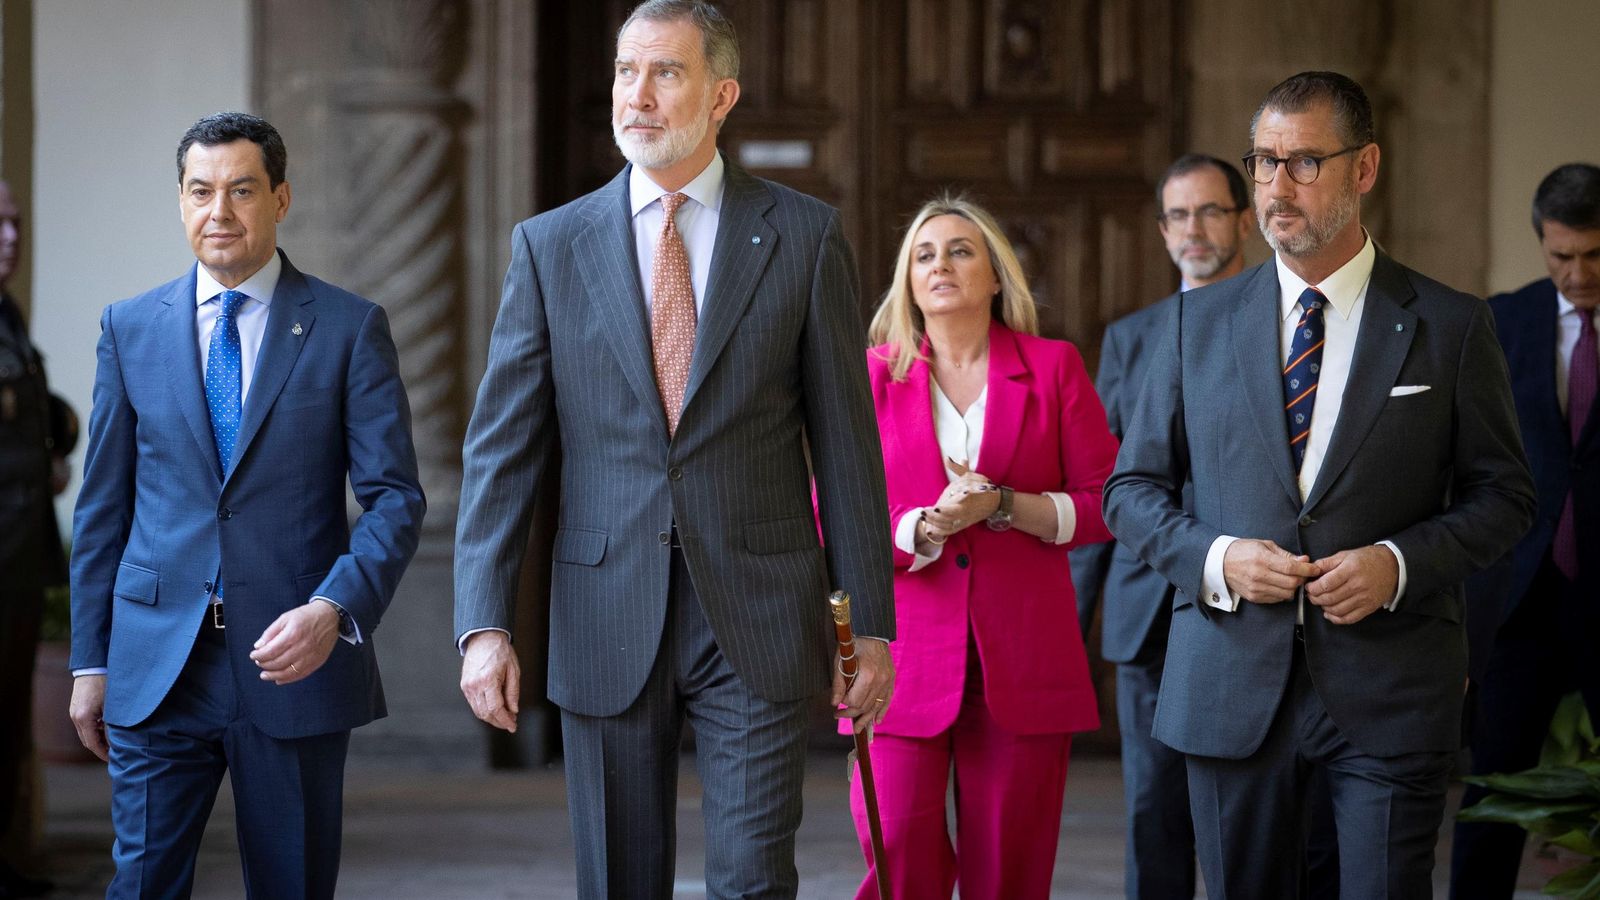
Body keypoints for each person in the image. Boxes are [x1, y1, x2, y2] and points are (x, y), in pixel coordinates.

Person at [452, 2, 895, 897]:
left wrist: (868, 625)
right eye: (626, 72)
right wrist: (484, 624)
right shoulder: (549, 246)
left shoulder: (805, 236)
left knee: (755, 878)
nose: (638, 96)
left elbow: (847, 448)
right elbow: (504, 453)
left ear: (721, 93)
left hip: (761, 612)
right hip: (603, 606)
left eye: (667, 73)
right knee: (619, 880)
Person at [1103, 71, 1536, 899]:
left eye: (1304, 163)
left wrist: (1397, 564)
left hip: (1391, 689)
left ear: (1364, 167)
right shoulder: (1192, 325)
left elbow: (1505, 496)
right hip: (1230, 686)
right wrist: (1219, 557)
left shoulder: (1450, 325)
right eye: (1263, 163)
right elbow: (1131, 491)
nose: (1276, 188)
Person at [68, 112, 425, 898]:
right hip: (158, 665)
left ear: (281, 198)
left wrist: (333, 607)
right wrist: (91, 661)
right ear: (181, 201)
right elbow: (103, 508)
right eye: (200, 192)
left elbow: (396, 499)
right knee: (140, 887)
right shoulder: (129, 329)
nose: (218, 213)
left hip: (292, 662)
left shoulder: (347, 327)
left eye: (240, 191)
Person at [853, 193, 1118, 899]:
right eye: (924, 254)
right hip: (902, 660)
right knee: (898, 845)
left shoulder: (1054, 367)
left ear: (997, 276)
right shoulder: (871, 377)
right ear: (908, 281)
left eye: (961, 250)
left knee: (1011, 870)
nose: (942, 264)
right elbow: (829, 514)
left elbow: (1106, 504)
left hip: (1026, 659)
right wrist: (922, 528)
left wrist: (1004, 506)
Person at [1069, 155, 1249, 900]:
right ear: (1162, 229)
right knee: (1154, 808)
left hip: (1250, 603)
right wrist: (1069, 623)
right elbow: (1107, 486)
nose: (1194, 229)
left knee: (1249, 812)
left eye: (1210, 211)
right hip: (1149, 612)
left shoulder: (1281, 321)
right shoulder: (1131, 338)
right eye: (1178, 215)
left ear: (1243, 219)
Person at [1450, 162, 1600, 900]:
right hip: (1520, 596)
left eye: (1594, 255)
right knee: (1492, 790)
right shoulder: (1501, 319)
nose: (1577, 273)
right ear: (1542, 242)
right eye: (1561, 255)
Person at [0, 180, 66, 900]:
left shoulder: (7, 315)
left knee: (8, 719)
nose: (10, 237)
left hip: (17, 554)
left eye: (14, 222)